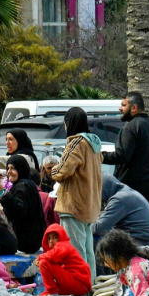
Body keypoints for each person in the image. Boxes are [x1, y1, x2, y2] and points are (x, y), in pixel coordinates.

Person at [102, 92, 149, 233]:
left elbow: (122, 155)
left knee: (128, 229)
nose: (120, 108)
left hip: (133, 188)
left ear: (134, 108)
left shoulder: (130, 128)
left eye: (123, 105)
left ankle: (134, 255)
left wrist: (100, 156)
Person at [51, 107, 103, 280]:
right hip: (90, 206)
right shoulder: (94, 145)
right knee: (87, 253)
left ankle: (81, 287)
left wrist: (52, 170)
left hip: (73, 205)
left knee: (75, 251)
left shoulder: (76, 143)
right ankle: (91, 286)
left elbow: (62, 171)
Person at [0, 155, 46, 254]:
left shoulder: (23, 186)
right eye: (8, 169)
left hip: (25, 243)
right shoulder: (26, 184)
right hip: (32, 241)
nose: (9, 172)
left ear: (21, 169)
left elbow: (18, 210)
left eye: (13, 168)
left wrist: (2, 193)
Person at [94, 174, 149, 247]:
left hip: (136, 243)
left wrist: (84, 225)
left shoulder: (119, 199)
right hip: (143, 240)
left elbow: (98, 228)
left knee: (92, 238)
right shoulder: (126, 193)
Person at [37, 224, 92, 296]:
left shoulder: (63, 245)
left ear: (61, 236)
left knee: (43, 263)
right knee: (44, 295)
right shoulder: (64, 248)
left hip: (76, 281)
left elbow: (52, 255)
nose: (51, 241)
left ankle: (51, 292)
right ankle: (51, 292)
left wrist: (40, 257)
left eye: (55, 237)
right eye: (49, 238)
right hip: (79, 285)